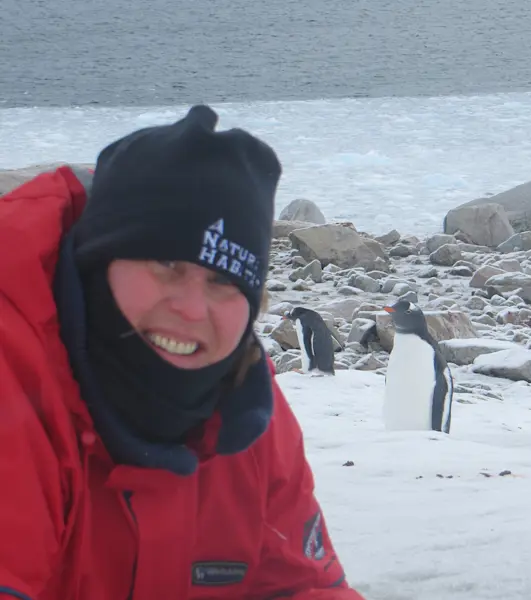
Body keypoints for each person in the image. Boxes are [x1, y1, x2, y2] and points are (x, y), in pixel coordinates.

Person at [0, 105, 365, 600]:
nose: (192, 309)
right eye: (166, 263)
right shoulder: (16, 387)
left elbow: (303, 587)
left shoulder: (246, 417)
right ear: (97, 264)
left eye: (222, 281)